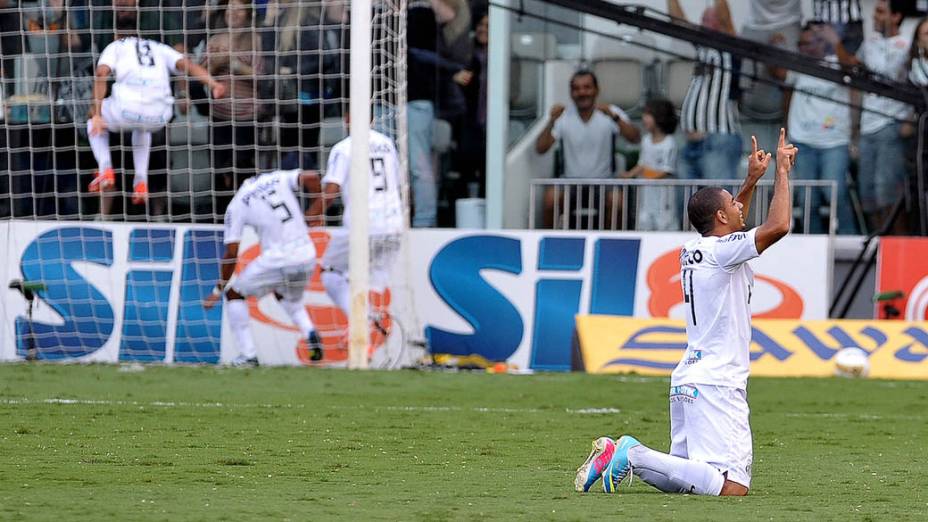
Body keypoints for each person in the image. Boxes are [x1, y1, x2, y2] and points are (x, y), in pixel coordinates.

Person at [575, 129, 797, 497]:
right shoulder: (722, 252)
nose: (740, 206)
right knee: (732, 487)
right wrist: (783, 172)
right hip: (717, 382)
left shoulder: (696, 248)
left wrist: (751, 180)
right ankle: (632, 452)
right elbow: (779, 226)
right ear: (721, 216)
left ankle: (626, 455)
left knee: (687, 481)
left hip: (689, 377)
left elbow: (727, 226)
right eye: (733, 203)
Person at [86, 2, 225, 216]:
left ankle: (105, 169)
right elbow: (188, 66)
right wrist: (213, 84)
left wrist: (96, 114)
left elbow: (101, 74)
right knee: (143, 127)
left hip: (126, 110)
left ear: (117, 35)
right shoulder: (158, 47)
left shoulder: (115, 47)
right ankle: (141, 181)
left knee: (93, 119)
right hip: (159, 115)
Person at [203, 169, 324, 367]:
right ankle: (309, 332)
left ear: (226, 180)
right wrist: (317, 208)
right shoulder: (276, 177)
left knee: (234, 294)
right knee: (285, 295)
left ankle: (248, 355)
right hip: (307, 254)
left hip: (279, 258)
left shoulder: (237, 204)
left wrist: (217, 290)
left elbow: (232, 253)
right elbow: (312, 177)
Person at [820, 0, 910, 232]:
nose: (875, 17)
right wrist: (836, 44)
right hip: (867, 127)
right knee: (867, 194)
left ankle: (897, 250)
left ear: (896, 16)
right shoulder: (870, 41)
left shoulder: (906, 44)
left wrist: (909, 119)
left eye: (881, 12)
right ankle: (878, 248)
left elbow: (891, 75)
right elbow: (854, 67)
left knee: (887, 193)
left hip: (890, 124)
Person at [307, 123, 404, 334]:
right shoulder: (387, 143)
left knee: (330, 271)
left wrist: (309, 216)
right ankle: (371, 336)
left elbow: (332, 189)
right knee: (375, 281)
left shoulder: (344, 148)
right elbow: (400, 184)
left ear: (347, 118)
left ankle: (364, 322)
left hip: (363, 225)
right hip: (394, 224)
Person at [769, 24, 857, 234]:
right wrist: (775, 49)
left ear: (822, 43)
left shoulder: (837, 62)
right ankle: (812, 240)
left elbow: (852, 70)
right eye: (800, 44)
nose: (803, 48)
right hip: (802, 141)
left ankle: (849, 238)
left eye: (807, 43)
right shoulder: (799, 64)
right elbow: (778, 73)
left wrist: (836, 42)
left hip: (834, 142)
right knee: (808, 197)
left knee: (835, 193)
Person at [535, 70, 641, 229]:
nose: (582, 92)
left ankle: (609, 245)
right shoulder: (563, 116)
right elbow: (541, 148)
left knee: (617, 202)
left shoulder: (610, 112)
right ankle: (553, 245)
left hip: (605, 181)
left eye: (587, 87)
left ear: (596, 90)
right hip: (570, 181)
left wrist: (615, 117)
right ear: (571, 93)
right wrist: (551, 121)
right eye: (576, 88)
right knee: (550, 199)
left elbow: (635, 138)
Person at [668, 0, 743, 181]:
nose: (703, 24)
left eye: (708, 19)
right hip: (691, 143)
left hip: (718, 138)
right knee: (689, 205)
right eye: (703, 19)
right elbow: (678, 21)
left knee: (718, 203)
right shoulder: (701, 47)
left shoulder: (730, 47)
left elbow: (726, 19)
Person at [622, 98, 679, 231]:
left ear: (660, 117)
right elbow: (642, 163)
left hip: (663, 195)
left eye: (648, 115)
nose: (644, 118)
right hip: (646, 193)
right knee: (644, 220)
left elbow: (666, 170)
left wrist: (647, 176)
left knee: (664, 223)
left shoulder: (669, 143)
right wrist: (629, 175)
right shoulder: (646, 140)